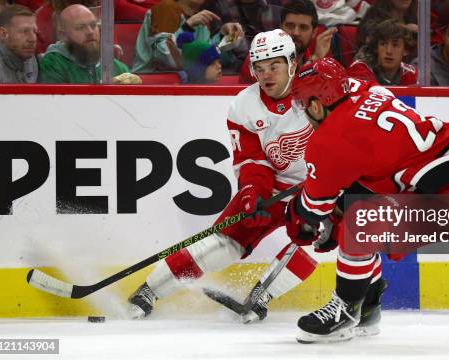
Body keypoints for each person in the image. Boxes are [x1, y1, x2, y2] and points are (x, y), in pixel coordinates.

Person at [284, 57, 449, 343]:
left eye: (304, 107)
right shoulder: (360, 90)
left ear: (317, 106)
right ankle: (367, 307)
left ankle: (345, 310)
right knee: (352, 214)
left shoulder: (329, 141)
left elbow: (312, 209)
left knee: (360, 222)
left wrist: (298, 216)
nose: (305, 115)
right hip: (448, 171)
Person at [126, 29, 320, 323]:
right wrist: (254, 191)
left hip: (319, 184)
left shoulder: (316, 91)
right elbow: (251, 158)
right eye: (259, 67)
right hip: (273, 184)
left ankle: (261, 296)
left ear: (292, 63)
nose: (266, 75)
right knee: (223, 243)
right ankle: (149, 291)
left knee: (320, 240)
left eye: (275, 65)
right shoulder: (244, 104)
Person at [131, 0, 243, 73]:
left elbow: (203, 59)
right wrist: (188, 26)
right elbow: (165, 58)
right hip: (149, 82)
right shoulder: (167, 8)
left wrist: (224, 36)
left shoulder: (199, 19)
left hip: (182, 82)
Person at [238, 0, 334, 84]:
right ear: (280, 27)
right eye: (290, 26)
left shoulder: (320, 64)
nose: (296, 33)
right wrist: (314, 60)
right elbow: (283, 92)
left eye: (303, 27)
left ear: (314, 32)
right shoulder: (259, 57)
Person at [39, 4, 129, 83]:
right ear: (63, 35)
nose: (90, 32)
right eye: (80, 27)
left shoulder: (119, 68)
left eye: (93, 25)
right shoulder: (54, 64)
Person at [348, 19, 418, 85]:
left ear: (405, 50)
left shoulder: (411, 74)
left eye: (395, 45)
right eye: (383, 44)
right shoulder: (359, 70)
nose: (389, 51)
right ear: (376, 48)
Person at [0, 4, 38, 83]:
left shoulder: (33, 59)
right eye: (25, 31)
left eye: (35, 32)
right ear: (3, 34)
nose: (32, 39)